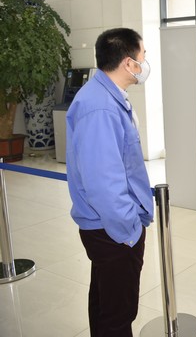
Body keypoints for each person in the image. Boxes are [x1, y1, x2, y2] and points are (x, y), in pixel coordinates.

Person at [66, 28, 154, 337]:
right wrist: (128, 231)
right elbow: (103, 182)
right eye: (143, 56)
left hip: (109, 228)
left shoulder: (105, 96)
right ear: (129, 63)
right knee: (118, 313)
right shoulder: (100, 107)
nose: (145, 64)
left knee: (106, 304)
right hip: (112, 230)